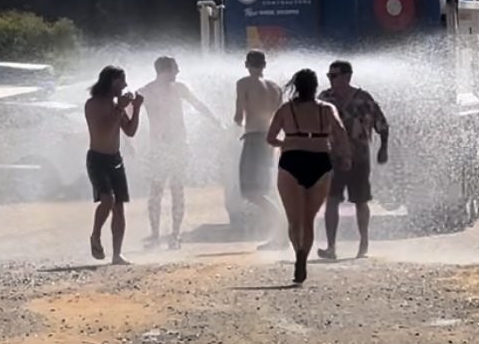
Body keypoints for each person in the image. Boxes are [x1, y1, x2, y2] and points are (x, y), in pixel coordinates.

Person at [265, 69, 352, 285]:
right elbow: (341, 131)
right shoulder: (327, 109)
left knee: (294, 220)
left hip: (291, 161)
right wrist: (345, 156)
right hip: (320, 161)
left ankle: (299, 256)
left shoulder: (286, 109)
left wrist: (285, 143)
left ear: (296, 86)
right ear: (315, 87)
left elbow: (270, 137)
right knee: (309, 219)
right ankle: (304, 255)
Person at [138, 55, 222, 249]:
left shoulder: (179, 88)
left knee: (177, 189)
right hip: (158, 147)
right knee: (156, 191)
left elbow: (199, 105)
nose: (178, 72)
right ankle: (155, 234)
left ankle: (175, 235)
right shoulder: (145, 91)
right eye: (175, 68)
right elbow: (127, 112)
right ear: (165, 70)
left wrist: (216, 121)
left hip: (179, 146)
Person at [318, 59, 390, 260]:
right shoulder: (325, 98)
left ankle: (364, 241)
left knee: (360, 199)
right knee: (332, 199)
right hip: (332, 156)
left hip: (359, 156)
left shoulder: (364, 99)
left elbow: (382, 125)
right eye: (329, 76)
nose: (330, 80)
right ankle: (331, 245)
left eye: (334, 76)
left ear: (347, 77)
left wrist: (383, 148)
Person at [84, 65, 143, 265]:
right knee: (107, 199)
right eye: (122, 81)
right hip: (97, 158)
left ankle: (117, 254)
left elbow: (130, 131)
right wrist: (119, 108)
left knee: (119, 207)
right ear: (111, 82)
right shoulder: (93, 104)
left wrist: (136, 109)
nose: (125, 85)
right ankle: (95, 235)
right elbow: (102, 130)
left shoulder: (116, 104)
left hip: (115, 159)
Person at [233, 49, 285, 246]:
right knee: (263, 188)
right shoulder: (275, 87)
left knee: (251, 191)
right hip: (269, 139)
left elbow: (239, 115)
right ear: (264, 65)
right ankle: (279, 233)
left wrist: (231, 130)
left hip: (254, 137)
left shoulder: (243, 83)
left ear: (247, 64)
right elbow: (281, 118)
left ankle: (281, 231)